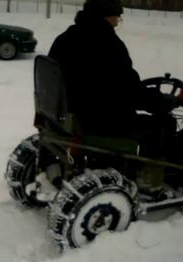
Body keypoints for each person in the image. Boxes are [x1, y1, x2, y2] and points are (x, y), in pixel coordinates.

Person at [48, 0, 175, 196]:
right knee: (161, 125)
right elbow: (129, 90)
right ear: (107, 16)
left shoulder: (64, 38)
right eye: (118, 17)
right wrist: (160, 102)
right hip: (97, 121)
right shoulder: (109, 45)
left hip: (66, 117)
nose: (118, 22)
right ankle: (150, 184)